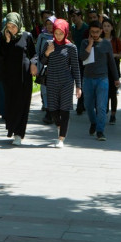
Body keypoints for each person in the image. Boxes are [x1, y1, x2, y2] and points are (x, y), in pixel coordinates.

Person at [0, 12, 38, 145]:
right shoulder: (2, 37)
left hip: (24, 75)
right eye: (9, 26)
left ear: (18, 24)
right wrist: (6, 41)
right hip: (8, 76)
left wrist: (34, 64)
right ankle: (12, 128)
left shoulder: (27, 36)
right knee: (11, 104)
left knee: (22, 104)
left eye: (13, 26)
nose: (11, 29)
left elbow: (34, 54)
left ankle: (19, 133)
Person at [42, 18, 81, 148]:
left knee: (65, 109)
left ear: (66, 32)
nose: (58, 35)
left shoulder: (71, 47)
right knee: (52, 109)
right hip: (52, 81)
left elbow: (75, 67)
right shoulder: (49, 43)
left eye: (61, 33)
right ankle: (59, 125)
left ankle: (61, 138)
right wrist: (47, 53)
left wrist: (78, 87)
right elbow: (42, 61)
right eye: (56, 33)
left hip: (66, 83)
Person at [81, 23, 120, 140]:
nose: (94, 34)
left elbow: (111, 62)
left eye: (97, 32)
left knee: (101, 106)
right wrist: (90, 45)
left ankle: (100, 131)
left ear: (101, 31)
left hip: (102, 78)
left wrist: (116, 78)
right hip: (88, 78)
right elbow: (82, 57)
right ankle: (93, 122)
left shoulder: (106, 44)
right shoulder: (84, 42)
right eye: (92, 32)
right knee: (88, 105)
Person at [35, 15, 57, 123]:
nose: (49, 26)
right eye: (47, 24)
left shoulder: (59, 36)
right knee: (45, 90)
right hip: (44, 67)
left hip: (57, 68)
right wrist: (37, 67)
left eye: (51, 24)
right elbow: (37, 52)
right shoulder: (42, 36)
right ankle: (48, 112)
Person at [101, 19, 121, 125]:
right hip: (102, 69)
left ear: (112, 27)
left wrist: (112, 55)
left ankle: (113, 114)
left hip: (114, 68)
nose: (106, 28)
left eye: (108, 26)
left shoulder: (116, 40)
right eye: (104, 26)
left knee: (113, 93)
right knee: (104, 92)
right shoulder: (99, 40)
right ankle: (104, 111)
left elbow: (120, 54)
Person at [69, 9, 89, 115]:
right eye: (72, 16)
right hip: (75, 57)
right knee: (78, 79)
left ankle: (82, 103)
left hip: (85, 57)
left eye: (75, 16)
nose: (73, 18)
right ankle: (80, 103)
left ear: (80, 16)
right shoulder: (73, 28)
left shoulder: (86, 28)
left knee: (83, 79)